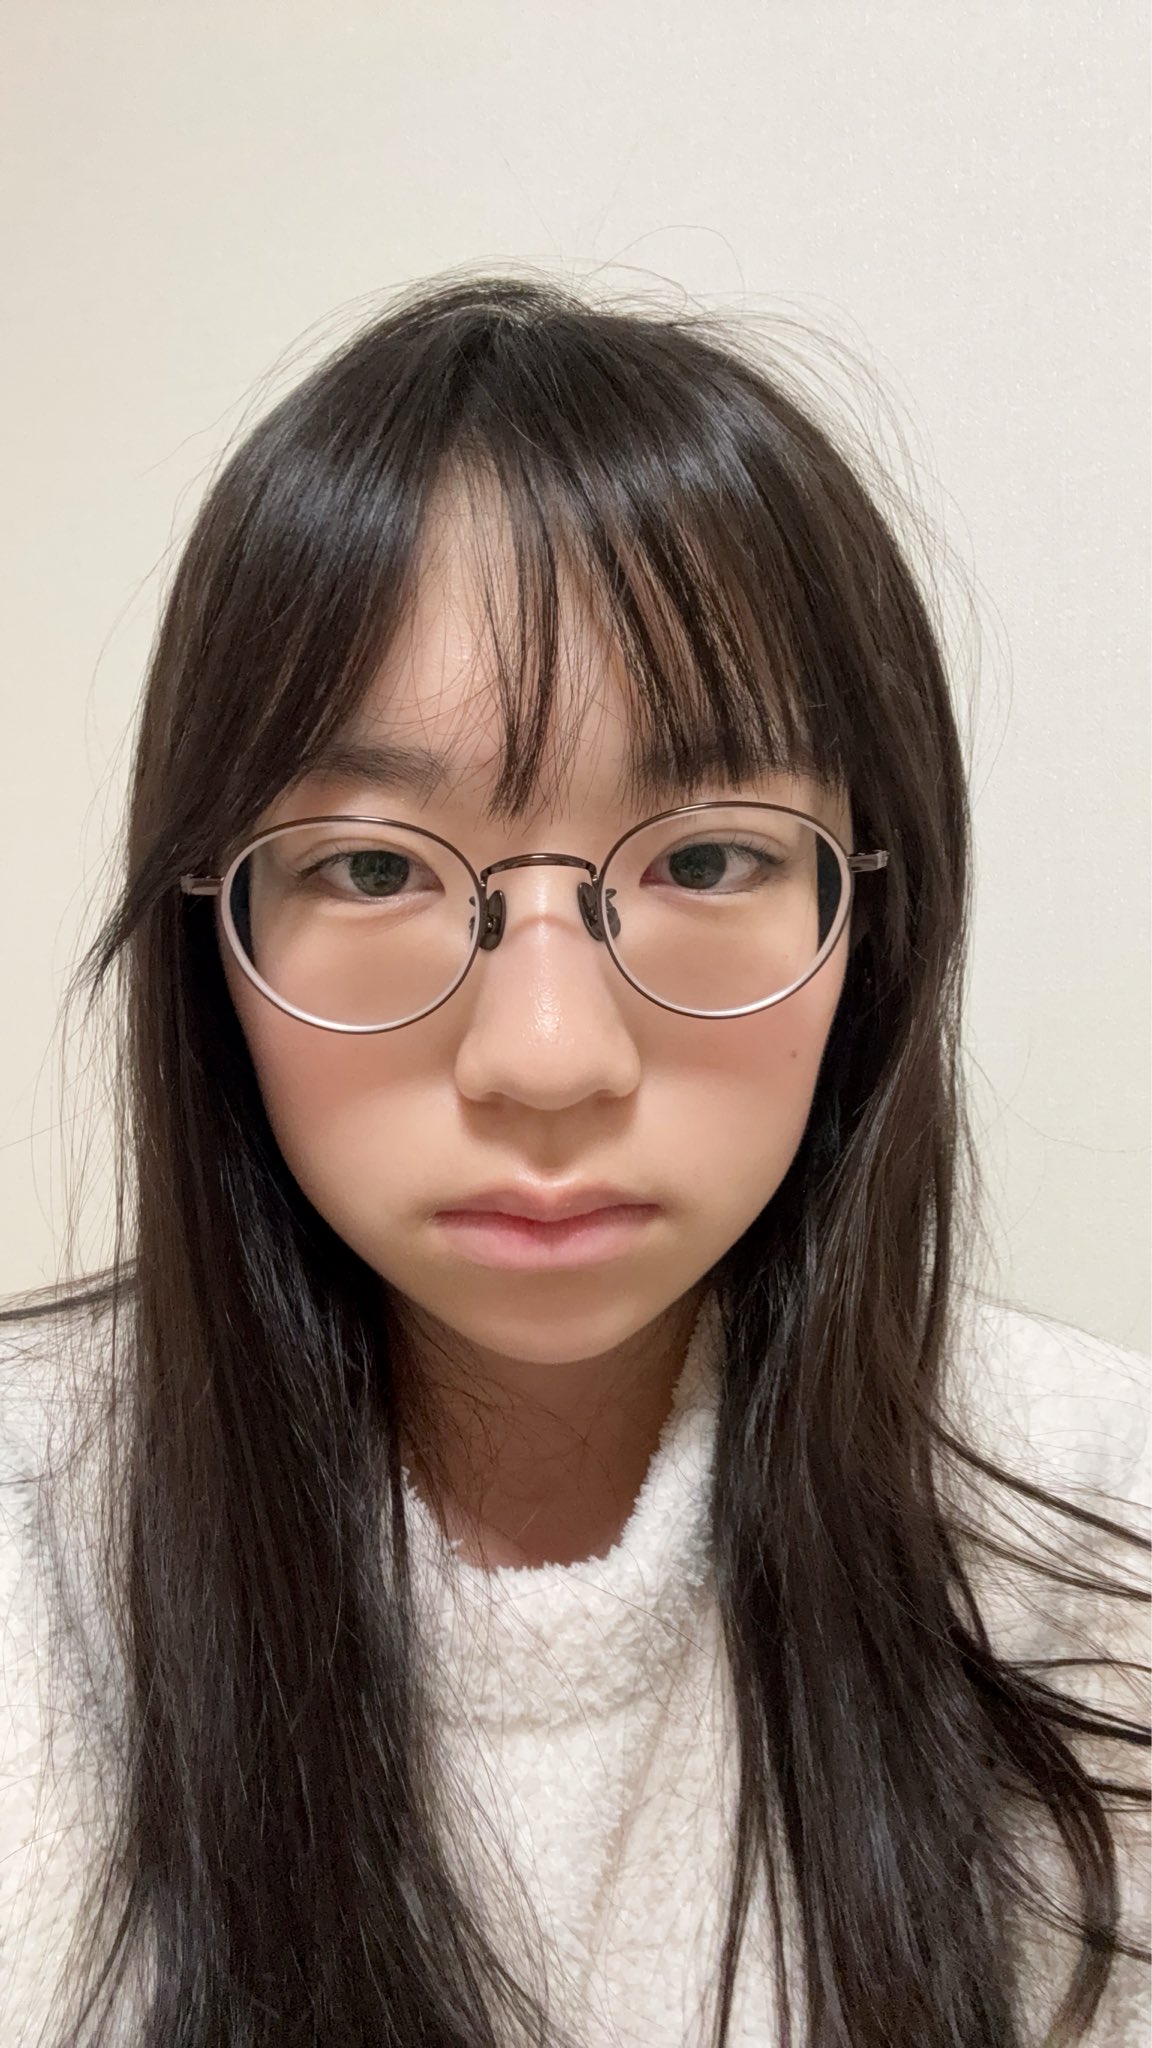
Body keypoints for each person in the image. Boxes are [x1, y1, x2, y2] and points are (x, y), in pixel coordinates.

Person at [0, 273, 1147, 2048]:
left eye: (707, 859)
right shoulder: (36, 1548)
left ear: (872, 919)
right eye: (372, 867)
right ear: (210, 931)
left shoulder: (1101, 1544)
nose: (547, 1057)